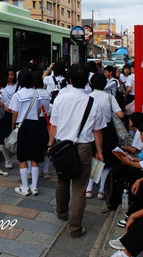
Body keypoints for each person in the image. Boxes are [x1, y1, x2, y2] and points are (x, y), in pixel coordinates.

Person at [49, 68, 103, 238]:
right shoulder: (93, 102)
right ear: (87, 80)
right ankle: (74, 228)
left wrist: (50, 145)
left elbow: (54, 126)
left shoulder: (60, 98)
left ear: (70, 80)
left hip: (62, 145)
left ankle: (61, 212)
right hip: (84, 147)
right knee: (79, 189)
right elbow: (97, 131)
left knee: (62, 180)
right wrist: (100, 152)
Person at [85, 72, 124, 200]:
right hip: (108, 131)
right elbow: (121, 115)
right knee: (107, 161)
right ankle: (102, 190)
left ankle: (89, 189)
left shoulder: (88, 97)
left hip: (91, 131)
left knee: (93, 159)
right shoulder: (109, 97)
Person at [9, 69, 46, 196]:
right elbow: (40, 111)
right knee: (35, 157)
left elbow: (15, 113)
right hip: (35, 125)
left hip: (22, 126)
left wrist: (13, 127)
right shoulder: (37, 94)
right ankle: (34, 187)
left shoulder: (18, 95)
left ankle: (24, 187)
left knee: (22, 157)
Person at [32, 71, 52, 180]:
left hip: (35, 120)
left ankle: (32, 170)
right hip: (45, 120)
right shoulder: (46, 93)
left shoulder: (33, 93)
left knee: (34, 145)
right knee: (45, 146)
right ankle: (46, 170)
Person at [0, 65, 18, 169]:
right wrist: (4, 106)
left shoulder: (18, 85)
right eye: (9, 75)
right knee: (4, 138)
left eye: (12, 74)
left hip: (16, 114)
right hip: (5, 114)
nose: (11, 77)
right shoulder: (2, 86)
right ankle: (7, 160)